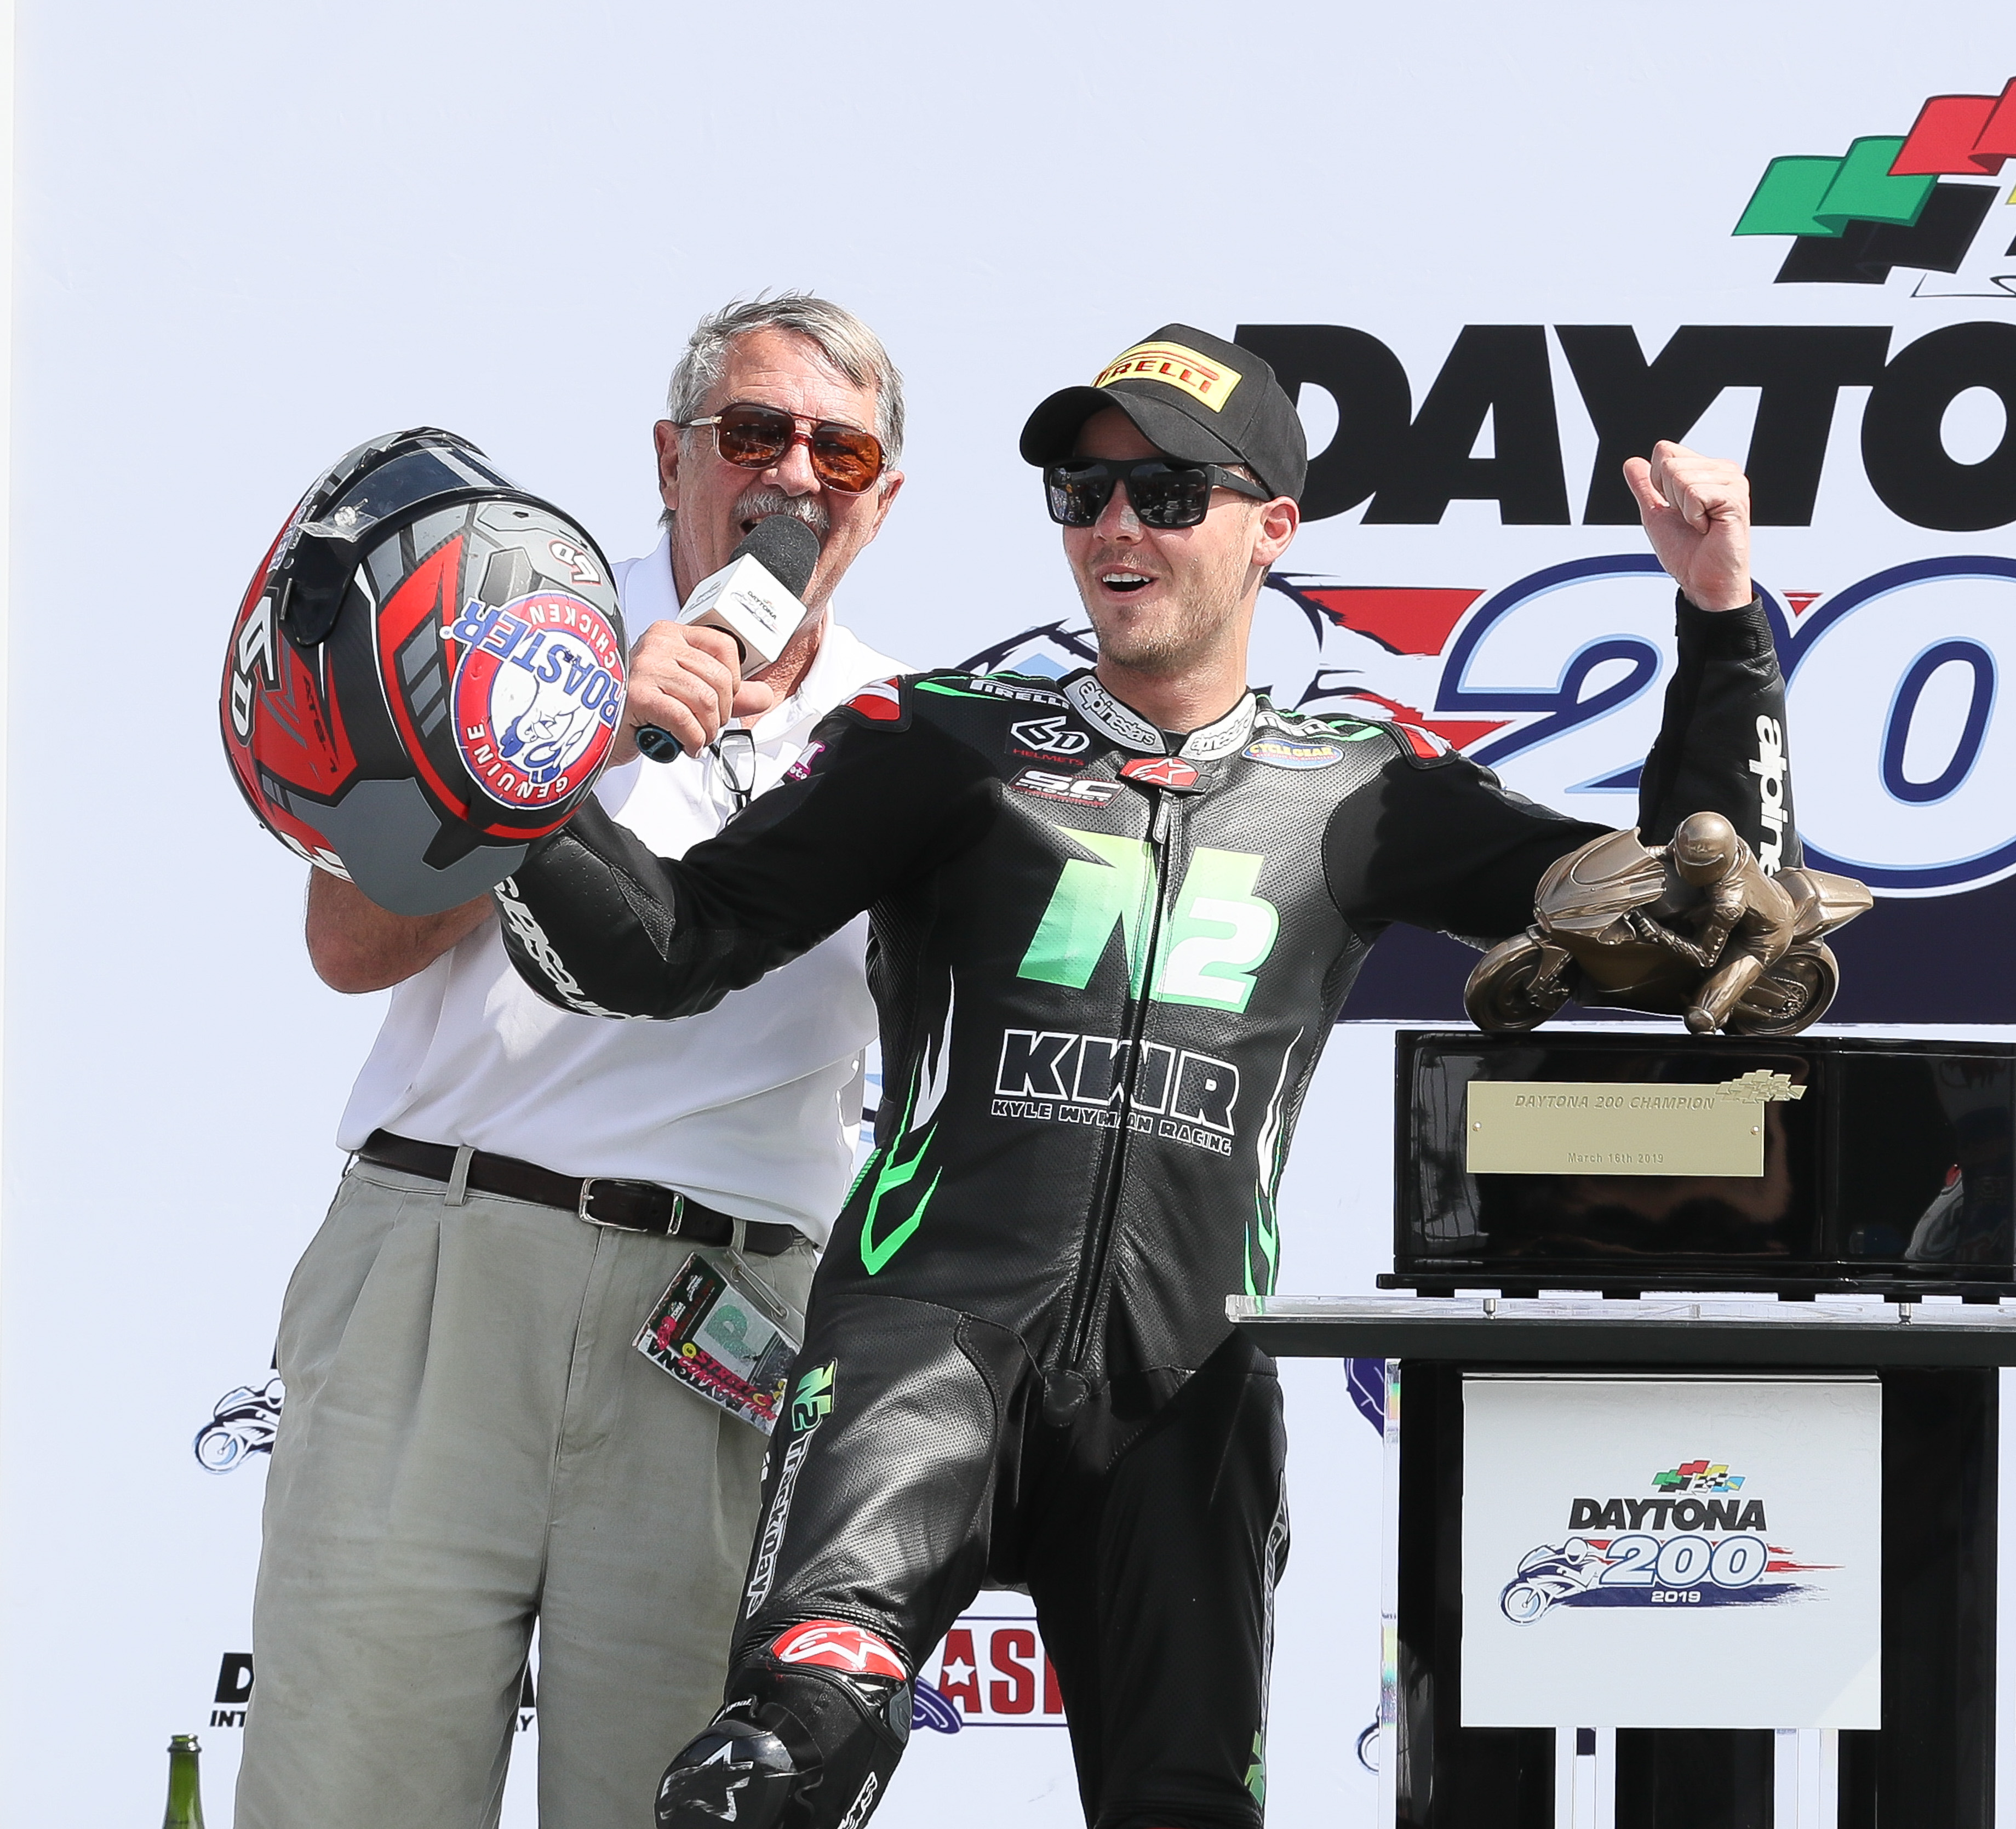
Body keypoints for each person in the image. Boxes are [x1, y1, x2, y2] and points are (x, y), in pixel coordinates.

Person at [489, 324, 1800, 1829]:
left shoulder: (1366, 787)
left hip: (1187, 1386)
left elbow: (1714, 918)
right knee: (775, 1765)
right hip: (924, 1346)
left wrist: (1721, 618)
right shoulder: (939, 740)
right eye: (1084, 491)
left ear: (1272, 529)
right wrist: (513, 779)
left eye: (1169, 493)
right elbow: (662, 946)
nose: (1117, 526)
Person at [239, 294, 911, 1829]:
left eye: (840, 450)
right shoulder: (502, 633)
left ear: (882, 500)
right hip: (444, 1272)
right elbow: (347, 940)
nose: (793, 474)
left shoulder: (912, 733)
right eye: (755, 431)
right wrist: (574, 728)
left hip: (728, 1331)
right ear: (672, 458)